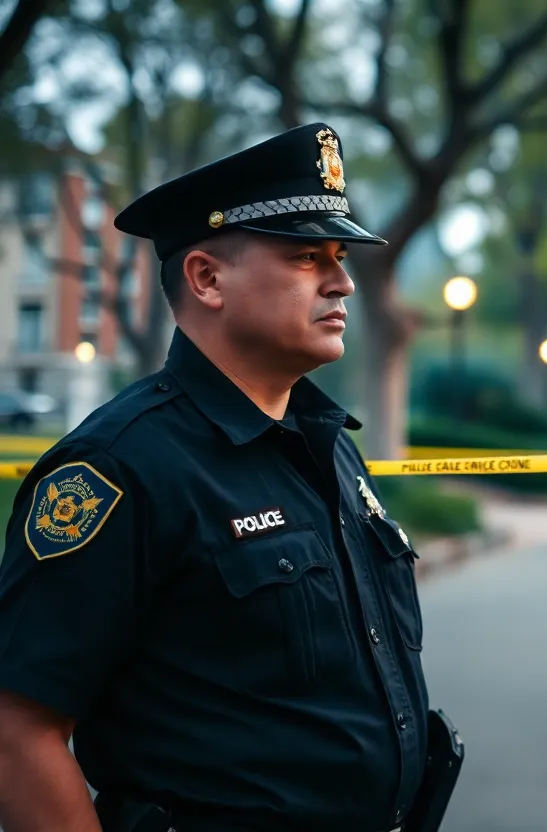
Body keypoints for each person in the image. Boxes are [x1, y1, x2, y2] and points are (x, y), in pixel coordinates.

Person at [0, 124, 432, 832]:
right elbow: (17, 734)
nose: (343, 280)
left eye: (340, 255)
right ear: (206, 278)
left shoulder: (327, 447)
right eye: (305, 256)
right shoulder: (119, 468)